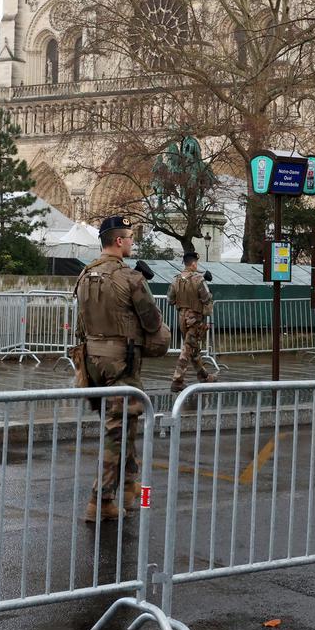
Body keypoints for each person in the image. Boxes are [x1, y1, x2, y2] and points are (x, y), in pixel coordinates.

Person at [73, 216, 164, 521]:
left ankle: (129, 484)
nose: (132, 243)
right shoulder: (130, 279)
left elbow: (81, 324)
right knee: (117, 430)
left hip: (91, 361)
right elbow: (152, 322)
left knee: (125, 423)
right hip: (121, 363)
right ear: (120, 241)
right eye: (130, 238)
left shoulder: (85, 275)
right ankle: (100, 500)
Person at [168, 249, 213, 393]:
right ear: (193, 264)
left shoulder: (176, 279)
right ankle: (177, 380)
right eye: (196, 263)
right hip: (195, 319)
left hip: (182, 317)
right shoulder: (199, 279)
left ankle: (204, 376)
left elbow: (170, 299)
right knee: (187, 349)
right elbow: (207, 298)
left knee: (192, 348)